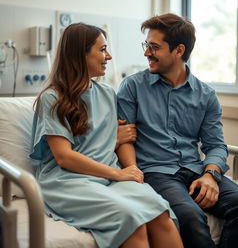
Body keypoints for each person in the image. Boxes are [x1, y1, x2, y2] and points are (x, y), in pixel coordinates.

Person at [29, 22, 184, 248]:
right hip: (68, 180)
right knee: (132, 220)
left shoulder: (107, 93)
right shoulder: (53, 98)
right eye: (102, 50)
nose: (108, 56)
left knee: (159, 212)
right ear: (79, 54)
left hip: (108, 177)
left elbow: (112, 139)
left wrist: (130, 167)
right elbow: (64, 157)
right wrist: (117, 173)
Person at [117, 13, 238, 248]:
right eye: (146, 45)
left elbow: (215, 145)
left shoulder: (206, 95)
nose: (146, 53)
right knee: (192, 218)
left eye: (154, 47)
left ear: (179, 50)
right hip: (156, 172)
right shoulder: (132, 87)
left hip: (195, 169)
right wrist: (132, 170)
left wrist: (211, 175)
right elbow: (124, 139)